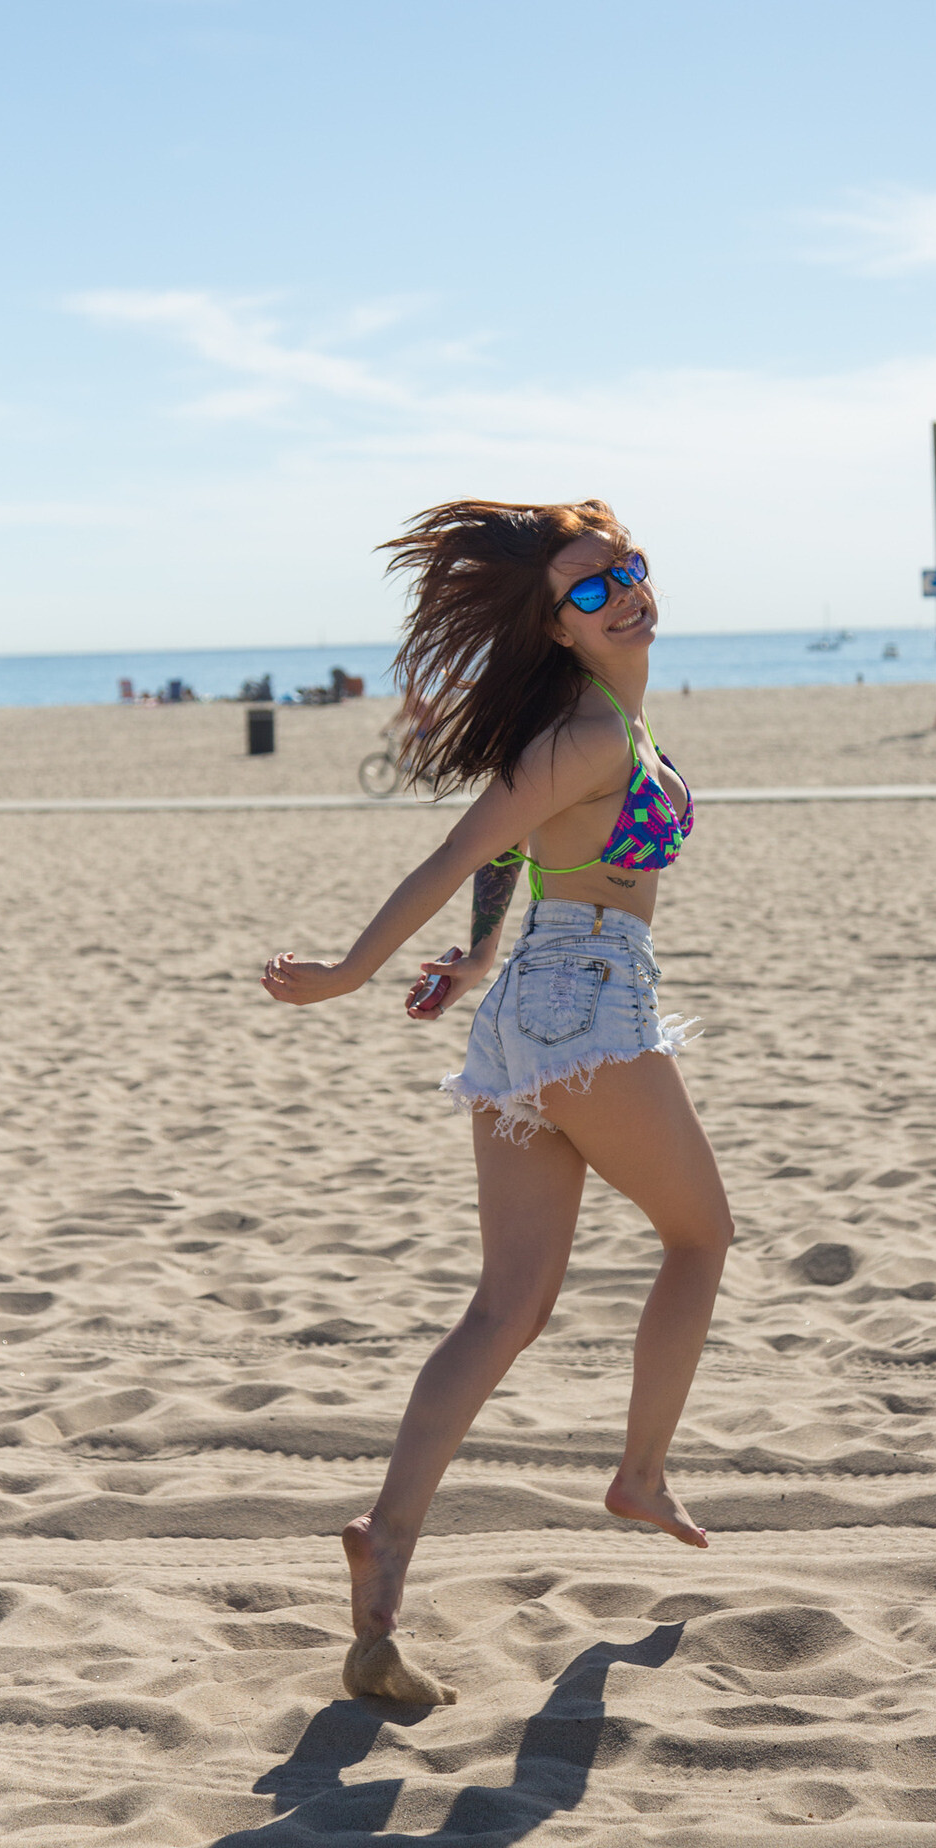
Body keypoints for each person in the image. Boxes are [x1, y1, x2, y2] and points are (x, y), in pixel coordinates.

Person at [261, 498, 734, 1687]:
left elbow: (525, 846)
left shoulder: (596, 719)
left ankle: (386, 1549)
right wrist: (348, 973)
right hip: (587, 1002)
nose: (623, 593)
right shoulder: (590, 733)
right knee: (699, 1238)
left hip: (529, 1006)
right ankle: (639, 1474)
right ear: (557, 625)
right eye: (589, 589)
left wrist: (477, 955)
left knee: (506, 1306)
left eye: (625, 568)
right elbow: (462, 847)